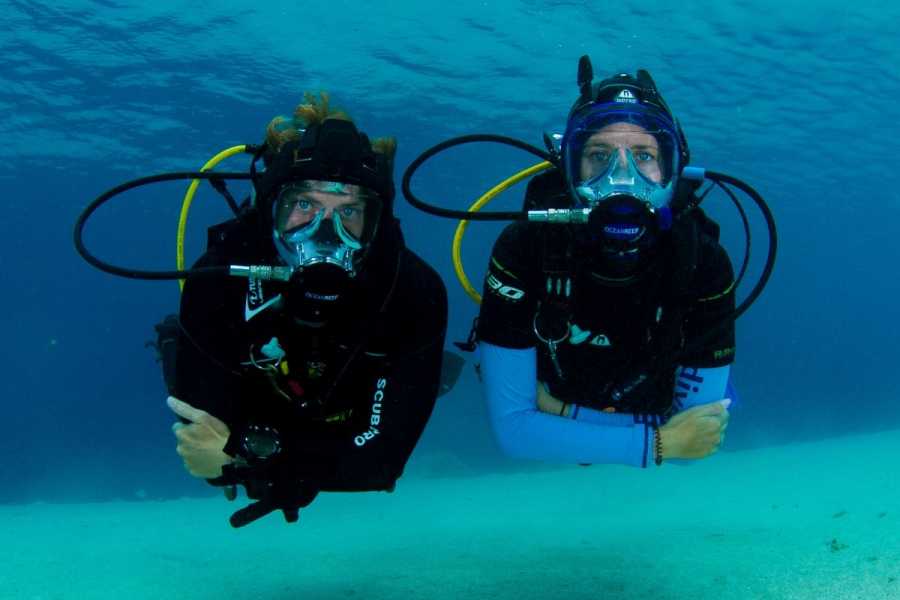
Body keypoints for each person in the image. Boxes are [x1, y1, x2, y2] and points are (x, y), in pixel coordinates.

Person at [165, 93, 448, 526]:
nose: (326, 232)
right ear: (272, 208)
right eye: (305, 205)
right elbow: (200, 449)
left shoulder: (412, 289)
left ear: (374, 223)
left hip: (333, 412)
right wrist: (253, 460)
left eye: (349, 210)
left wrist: (243, 455)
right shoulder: (219, 278)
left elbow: (381, 463)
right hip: (272, 407)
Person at [477, 63, 735, 469]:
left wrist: (564, 415)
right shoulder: (525, 248)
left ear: (672, 169)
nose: (621, 178)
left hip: (565, 411)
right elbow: (513, 433)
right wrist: (661, 443)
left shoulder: (703, 262)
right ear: (569, 167)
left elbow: (698, 441)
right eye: (599, 155)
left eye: (644, 156)